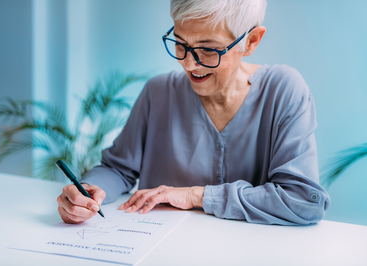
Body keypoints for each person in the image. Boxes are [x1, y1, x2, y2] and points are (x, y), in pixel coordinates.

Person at [57, 0, 330, 226]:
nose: (189, 63)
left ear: (251, 41)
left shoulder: (284, 91)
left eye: (208, 49)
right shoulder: (158, 92)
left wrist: (196, 196)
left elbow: (303, 201)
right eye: (180, 43)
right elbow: (117, 169)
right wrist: (90, 190)